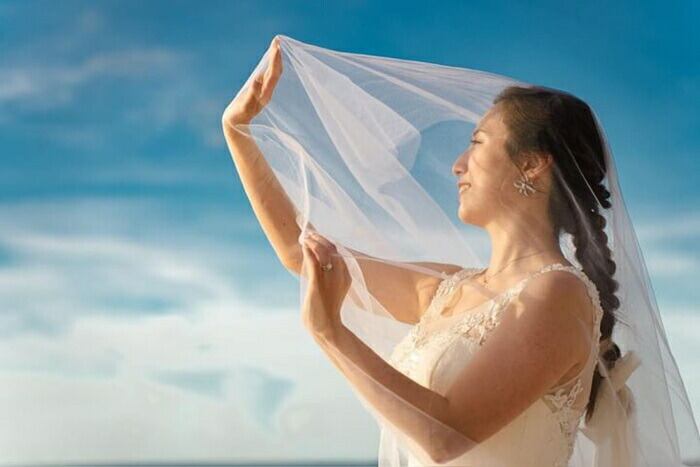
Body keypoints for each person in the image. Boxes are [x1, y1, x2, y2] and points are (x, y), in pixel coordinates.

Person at [222, 35, 700, 466]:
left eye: (477, 143)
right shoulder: (446, 290)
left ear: (531, 165)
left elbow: (447, 436)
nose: (457, 165)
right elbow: (300, 253)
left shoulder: (558, 294)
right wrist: (238, 132)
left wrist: (330, 334)